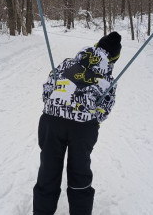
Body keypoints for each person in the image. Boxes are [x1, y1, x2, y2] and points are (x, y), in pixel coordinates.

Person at [33, 32, 122, 215]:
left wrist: (56, 106)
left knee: (48, 169)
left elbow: (48, 88)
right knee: (79, 172)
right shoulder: (108, 78)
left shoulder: (67, 63)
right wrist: (91, 120)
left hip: (52, 120)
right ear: (114, 58)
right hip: (82, 127)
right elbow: (105, 107)